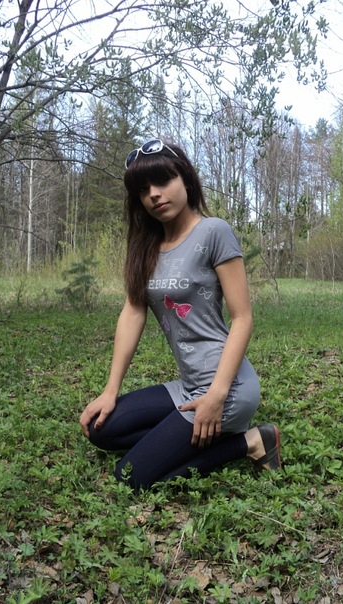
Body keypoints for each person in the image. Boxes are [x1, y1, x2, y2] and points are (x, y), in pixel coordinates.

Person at [79, 138, 281, 490]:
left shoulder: (214, 231)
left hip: (228, 387)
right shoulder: (146, 246)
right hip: (187, 386)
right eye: (144, 190)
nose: (154, 194)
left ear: (185, 178)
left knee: (131, 475)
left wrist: (217, 395)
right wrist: (110, 391)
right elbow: (133, 311)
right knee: (102, 430)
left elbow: (243, 318)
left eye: (162, 181)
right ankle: (179, 438)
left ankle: (249, 441)